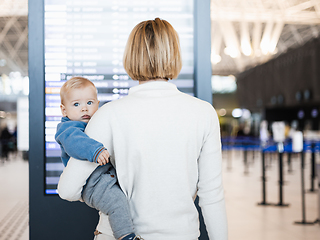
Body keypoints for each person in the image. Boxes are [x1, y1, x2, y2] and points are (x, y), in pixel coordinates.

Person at [58, 18, 228, 239]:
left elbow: (67, 189)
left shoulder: (107, 114)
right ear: (175, 54)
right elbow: (212, 195)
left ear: (130, 57)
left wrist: (104, 195)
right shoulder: (203, 113)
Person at [55, 76, 142, 240]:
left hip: (104, 177)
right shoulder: (67, 128)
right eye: (76, 104)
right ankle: (125, 236)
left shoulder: (96, 122)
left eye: (89, 102)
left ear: (98, 103)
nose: (84, 109)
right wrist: (95, 151)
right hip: (92, 183)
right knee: (116, 203)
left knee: (124, 200)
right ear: (64, 110)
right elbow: (76, 143)